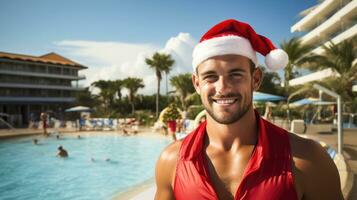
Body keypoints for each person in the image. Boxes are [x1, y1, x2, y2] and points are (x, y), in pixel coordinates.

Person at [155, 19, 343, 200]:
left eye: (235, 74)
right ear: (196, 83)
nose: (222, 88)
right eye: (210, 77)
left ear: (256, 79)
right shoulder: (171, 161)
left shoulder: (307, 159)